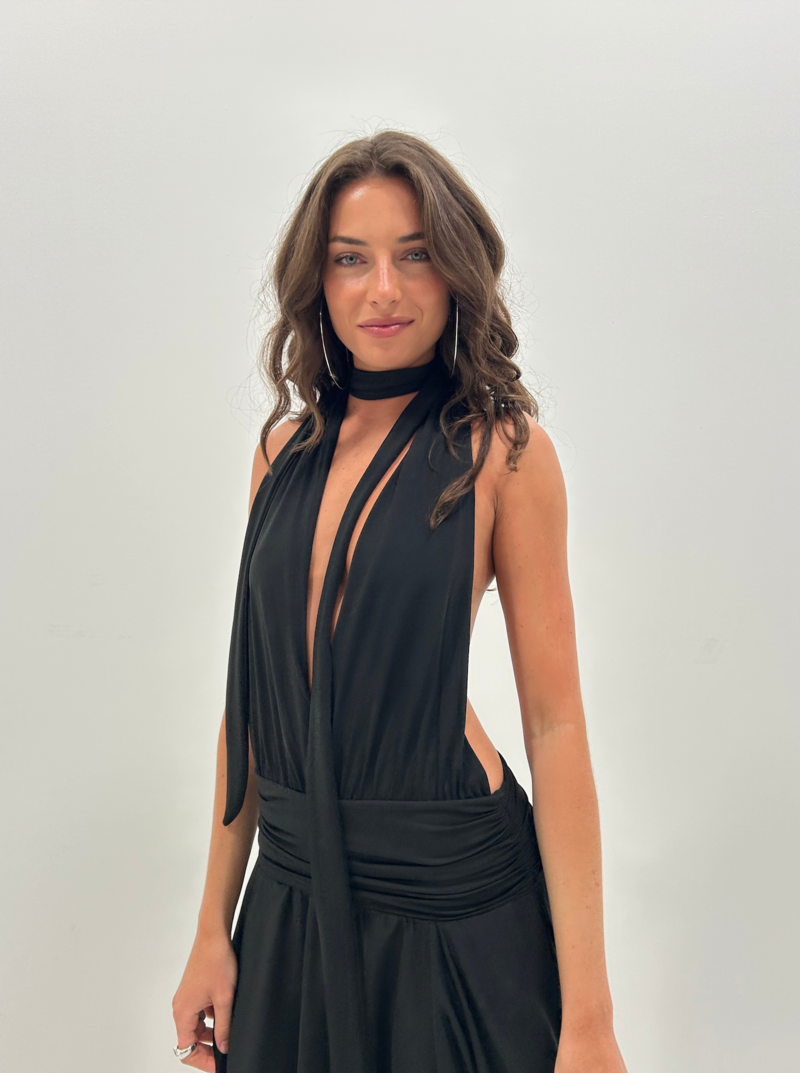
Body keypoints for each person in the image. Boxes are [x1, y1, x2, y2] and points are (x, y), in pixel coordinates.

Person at [172, 129, 628, 1073]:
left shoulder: (503, 452)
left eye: (414, 255)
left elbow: (554, 725)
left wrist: (590, 1017)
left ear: (456, 271)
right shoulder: (281, 454)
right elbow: (248, 706)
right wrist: (211, 926)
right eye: (352, 259)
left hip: (450, 890)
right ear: (318, 279)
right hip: (291, 888)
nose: (383, 288)